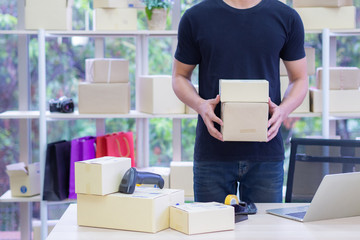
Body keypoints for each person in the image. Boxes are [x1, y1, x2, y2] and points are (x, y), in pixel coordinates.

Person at [172, 0, 308, 204]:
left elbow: (300, 79)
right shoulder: (195, 17)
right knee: (211, 232)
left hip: (266, 153)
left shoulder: (286, 17)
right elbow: (179, 77)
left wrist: (283, 110)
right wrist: (200, 105)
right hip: (212, 152)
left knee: (264, 233)